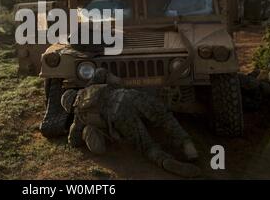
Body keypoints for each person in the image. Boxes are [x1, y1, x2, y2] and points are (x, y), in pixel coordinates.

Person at [61, 68, 200, 178]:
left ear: (69, 106)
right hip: (128, 95)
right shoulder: (89, 87)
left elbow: (73, 141)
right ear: (74, 92)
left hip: (118, 115)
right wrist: (117, 81)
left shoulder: (79, 115)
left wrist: (79, 130)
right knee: (162, 116)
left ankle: (164, 161)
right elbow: (101, 72)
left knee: (146, 145)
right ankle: (187, 144)